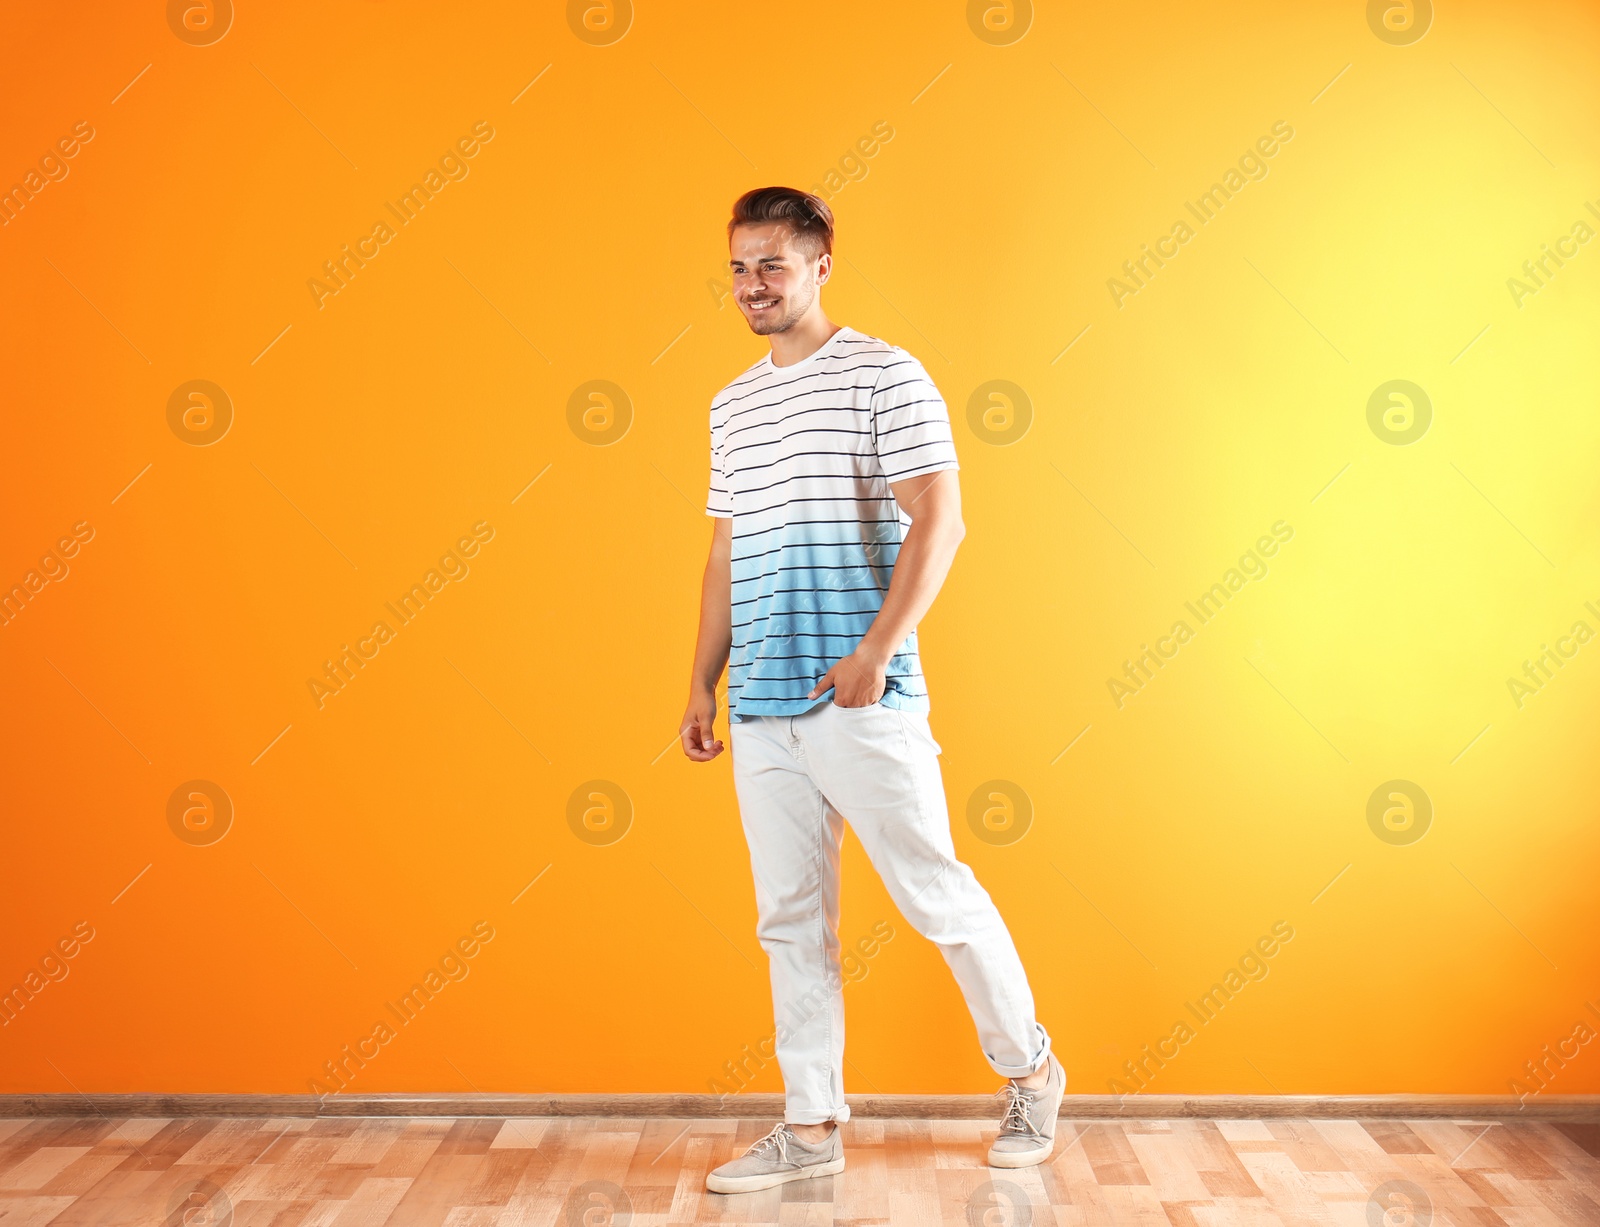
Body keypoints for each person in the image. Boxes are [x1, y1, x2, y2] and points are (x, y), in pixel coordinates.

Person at [680, 186, 1063, 1195]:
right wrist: (700, 682)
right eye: (737, 267)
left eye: (771, 264)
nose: (751, 285)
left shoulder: (884, 376)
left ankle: (1030, 1072)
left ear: (820, 264)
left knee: (933, 893)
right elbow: (723, 553)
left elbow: (941, 521)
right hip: (761, 707)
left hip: (860, 700)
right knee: (789, 921)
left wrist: (877, 652)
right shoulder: (731, 403)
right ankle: (810, 1128)